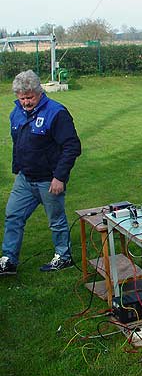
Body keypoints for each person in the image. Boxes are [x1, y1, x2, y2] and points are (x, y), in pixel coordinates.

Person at [0, 70, 81, 276]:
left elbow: (72, 146)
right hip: (25, 179)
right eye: (22, 98)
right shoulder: (16, 112)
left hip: (49, 180)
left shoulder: (56, 112)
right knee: (13, 216)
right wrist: (18, 168)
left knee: (56, 220)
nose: (26, 102)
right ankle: (8, 260)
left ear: (39, 92)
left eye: (30, 97)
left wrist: (60, 177)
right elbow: (18, 142)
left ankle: (64, 257)